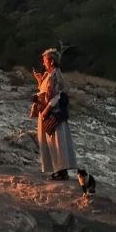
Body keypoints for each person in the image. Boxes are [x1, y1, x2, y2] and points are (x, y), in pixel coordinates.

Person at [32, 48, 77, 180]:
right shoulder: (49, 74)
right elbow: (45, 91)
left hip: (53, 113)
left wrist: (46, 110)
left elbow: (57, 95)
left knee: (57, 141)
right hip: (48, 112)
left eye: (45, 61)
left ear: (51, 61)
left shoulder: (55, 75)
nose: (43, 63)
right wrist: (40, 81)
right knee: (51, 141)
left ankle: (62, 171)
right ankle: (58, 169)